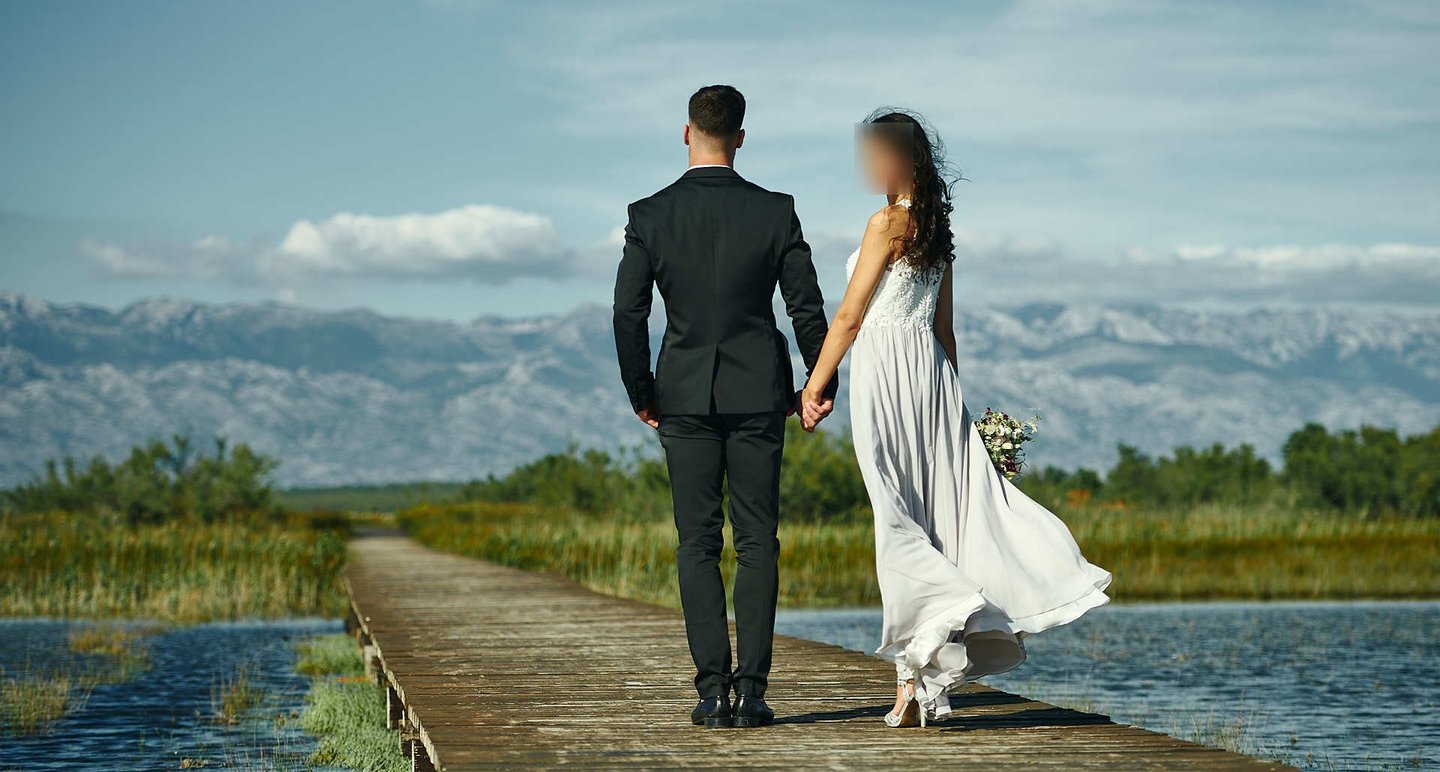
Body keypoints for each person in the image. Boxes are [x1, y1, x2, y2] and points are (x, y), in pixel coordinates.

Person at [798, 109, 1112, 727]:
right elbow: (946, 332)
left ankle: (943, 626)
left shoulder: (886, 223)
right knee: (933, 521)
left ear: (897, 160)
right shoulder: (937, 230)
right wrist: (957, 413)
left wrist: (814, 385)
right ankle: (919, 684)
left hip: (887, 377)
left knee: (896, 519)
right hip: (933, 382)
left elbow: (850, 319)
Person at [612, 84, 836, 729]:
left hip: (681, 394)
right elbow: (806, 310)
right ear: (740, 137)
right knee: (758, 541)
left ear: (687, 133)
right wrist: (818, 388)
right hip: (760, 394)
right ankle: (754, 694)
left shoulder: (650, 215)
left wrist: (641, 391)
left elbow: (629, 311)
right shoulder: (776, 211)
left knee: (697, 544)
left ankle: (712, 692)